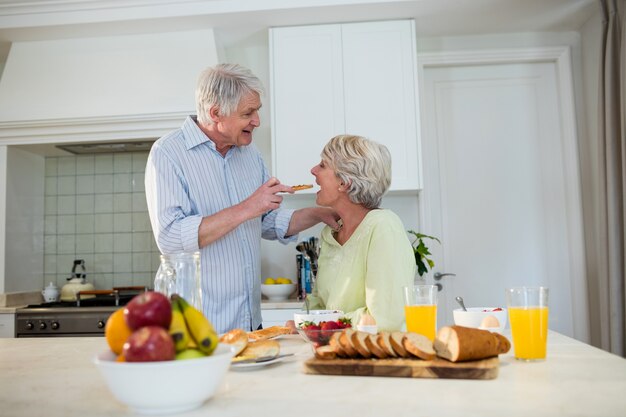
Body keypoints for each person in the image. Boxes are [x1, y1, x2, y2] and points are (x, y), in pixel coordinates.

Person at [145, 63, 339, 333]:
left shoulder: (249, 154)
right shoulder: (168, 153)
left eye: (257, 110)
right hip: (197, 327)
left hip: (249, 323)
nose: (257, 121)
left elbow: (266, 222)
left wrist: (319, 214)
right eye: (248, 113)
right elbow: (171, 238)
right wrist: (249, 207)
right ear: (216, 113)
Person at [304, 135, 416, 331]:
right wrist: (304, 324)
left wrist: (322, 325)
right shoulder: (330, 233)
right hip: (336, 351)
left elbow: (387, 319)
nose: (313, 170)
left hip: (374, 355)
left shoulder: (383, 227)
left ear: (344, 182)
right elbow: (319, 304)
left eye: (323, 165)